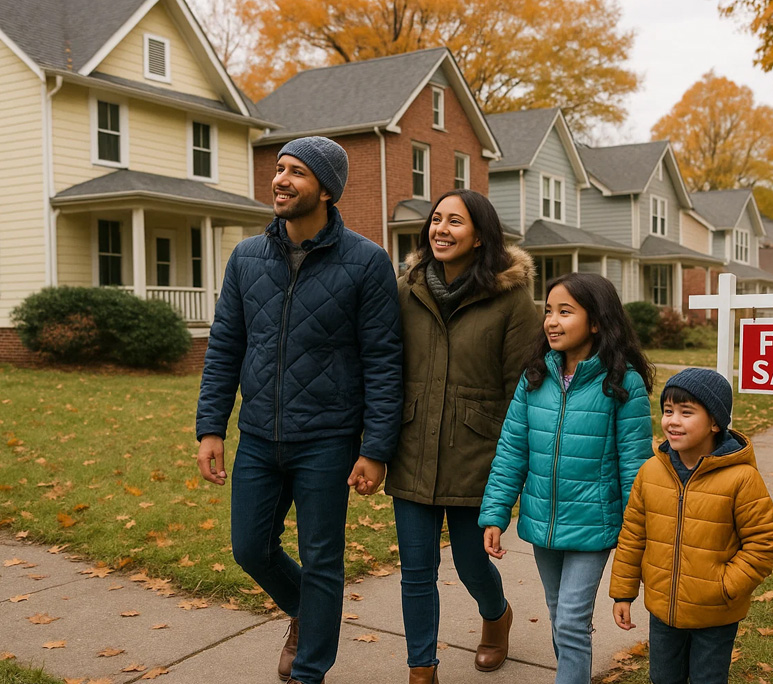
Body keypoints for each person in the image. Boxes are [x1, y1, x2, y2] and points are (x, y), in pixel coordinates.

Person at [194, 136, 403, 684]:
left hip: (329, 440)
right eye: (279, 169)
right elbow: (225, 346)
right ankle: (309, 617)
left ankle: (309, 670)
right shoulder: (246, 257)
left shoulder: (366, 262)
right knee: (250, 548)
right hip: (259, 436)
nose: (280, 180)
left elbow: (384, 361)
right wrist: (210, 427)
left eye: (297, 173)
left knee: (322, 559)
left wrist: (375, 448)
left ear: (327, 190)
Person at [385, 188, 537, 684]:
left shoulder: (511, 298)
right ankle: (421, 669)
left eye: (455, 221)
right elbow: (383, 365)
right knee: (417, 572)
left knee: (473, 564)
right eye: (435, 219)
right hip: (412, 446)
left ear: (479, 237)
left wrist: (518, 464)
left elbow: (523, 385)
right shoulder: (406, 289)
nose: (440, 229)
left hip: (479, 453)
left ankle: (496, 616)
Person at [478, 272, 655, 684]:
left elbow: (635, 468)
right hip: (542, 522)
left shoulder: (622, 383)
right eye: (548, 311)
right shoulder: (535, 376)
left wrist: (638, 535)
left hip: (595, 526)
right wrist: (495, 513)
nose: (551, 321)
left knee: (572, 622)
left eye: (565, 312)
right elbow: (511, 450)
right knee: (562, 619)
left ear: (596, 321)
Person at [609, 368, 773, 684]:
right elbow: (633, 535)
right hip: (664, 610)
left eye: (686, 413)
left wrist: (725, 585)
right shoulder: (651, 472)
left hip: (715, 613)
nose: (673, 420)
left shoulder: (741, 478)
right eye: (668, 411)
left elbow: (764, 543)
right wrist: (623, 593)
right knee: (663, 678)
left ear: (714, 422)